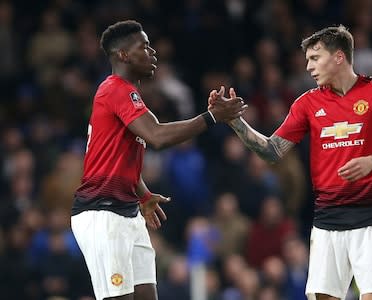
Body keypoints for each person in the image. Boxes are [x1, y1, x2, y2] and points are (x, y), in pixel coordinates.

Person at [210, 25, 372, 300]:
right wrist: (234, 121)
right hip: (327, 222)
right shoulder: (307, 103)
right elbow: (272, 150)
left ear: (339, 57)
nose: (308, 66)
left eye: (315, 58)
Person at [70, 20, 246, 300]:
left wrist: (143, 194)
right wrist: (211, 117)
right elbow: (157, 137)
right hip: (102, 213)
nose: (152, 52)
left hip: (127, 211)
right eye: (144, 46)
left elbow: (119, 160)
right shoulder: (115, 89)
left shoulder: (128, 95)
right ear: (123, 55)